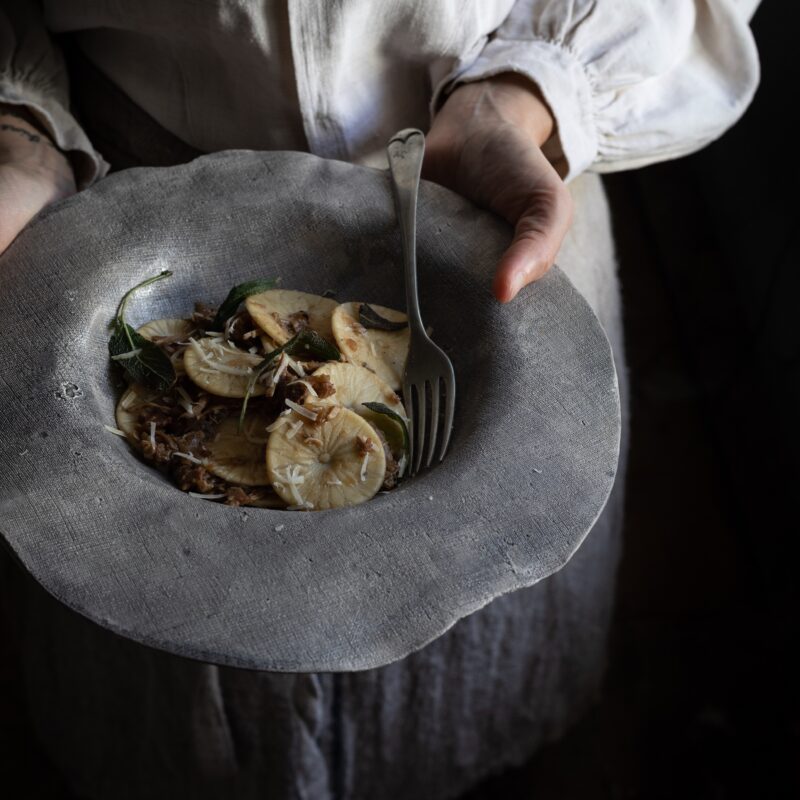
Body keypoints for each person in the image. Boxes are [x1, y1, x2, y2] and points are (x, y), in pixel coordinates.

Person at [0, 2, 760, 798]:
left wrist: (529, 90)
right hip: (117, 210)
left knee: (465, 692)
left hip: (482, 202)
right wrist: (18, 127)